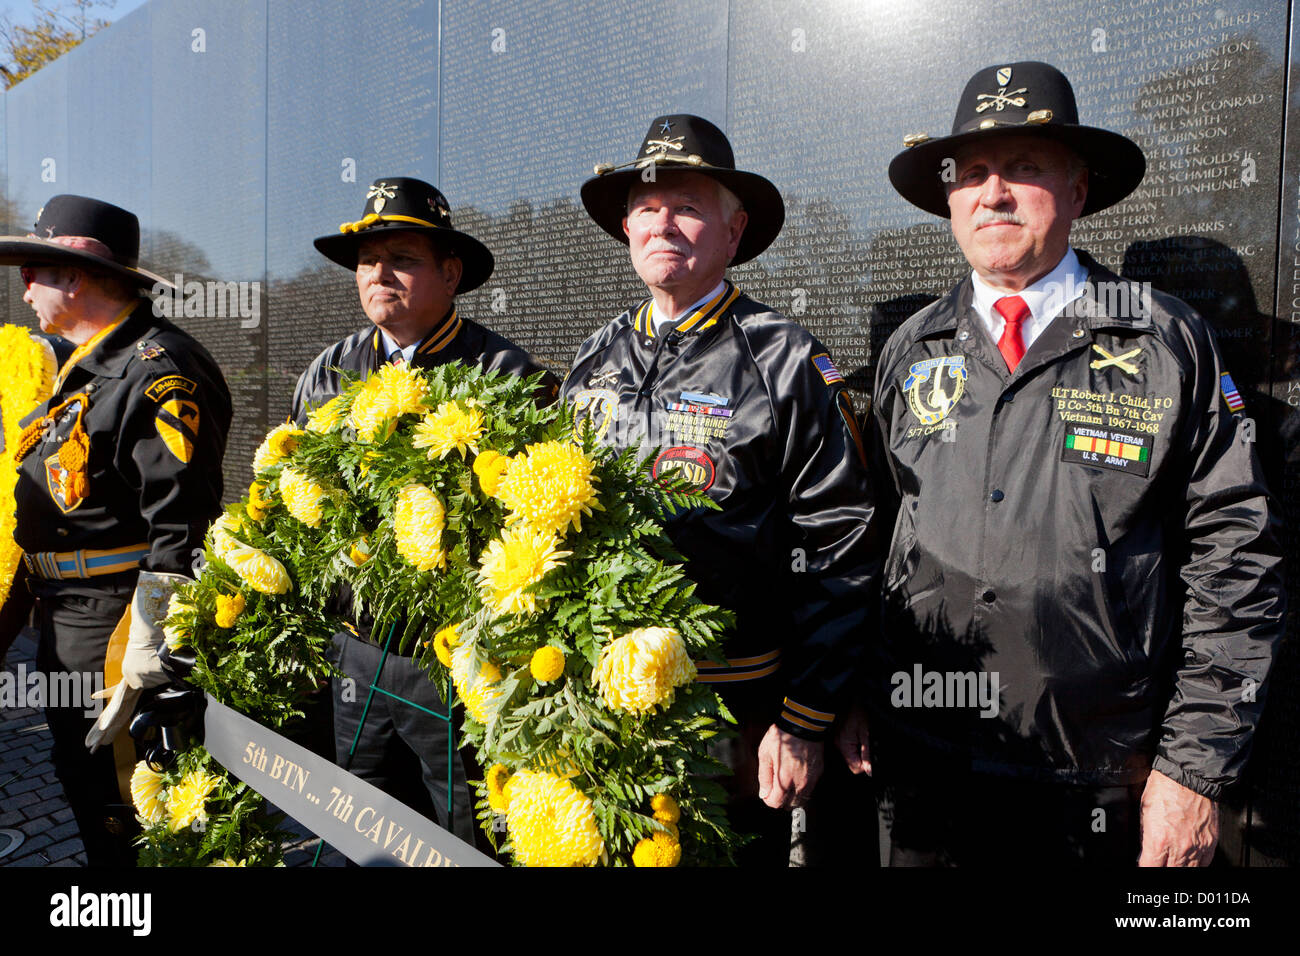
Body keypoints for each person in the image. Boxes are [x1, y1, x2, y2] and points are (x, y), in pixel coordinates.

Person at [841, 61, 1285, 865]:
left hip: (1099, 781)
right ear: (949, 199)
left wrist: (1193, 772)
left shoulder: (1162, 341)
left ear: (1078, 190)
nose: (994, 193)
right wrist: (858, 694)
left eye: (1025, 169)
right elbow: (872, 537)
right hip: (924, 766)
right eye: (972, 174)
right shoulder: (913, 349)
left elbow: (1238, 557)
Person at [565, 115, 879, 865]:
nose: (662, 223)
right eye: (646, 206)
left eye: (688, 206)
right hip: (599, 702)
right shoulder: (591, 358)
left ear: (734, 232)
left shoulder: (785, 359)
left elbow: (841, 542)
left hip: (733, 716)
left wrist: (804, 717)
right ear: (625, 225)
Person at [292, 177, 558, 848]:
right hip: (354, 648)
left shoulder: (507, 375)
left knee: (461, 837)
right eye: (368, 260)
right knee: (357, 829)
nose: (380, 274)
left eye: (402, 258)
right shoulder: (327, 372)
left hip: (454, 660)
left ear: (450, 272)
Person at [0, 194, 231, 866]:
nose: (23, 285)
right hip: (66, 620)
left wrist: (153, 643)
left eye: (36, 269)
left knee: (132, 812)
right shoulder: (80, 373)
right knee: (89, 793)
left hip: (118, 628)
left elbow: (180, 523)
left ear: (75, 276)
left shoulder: (158, 370)